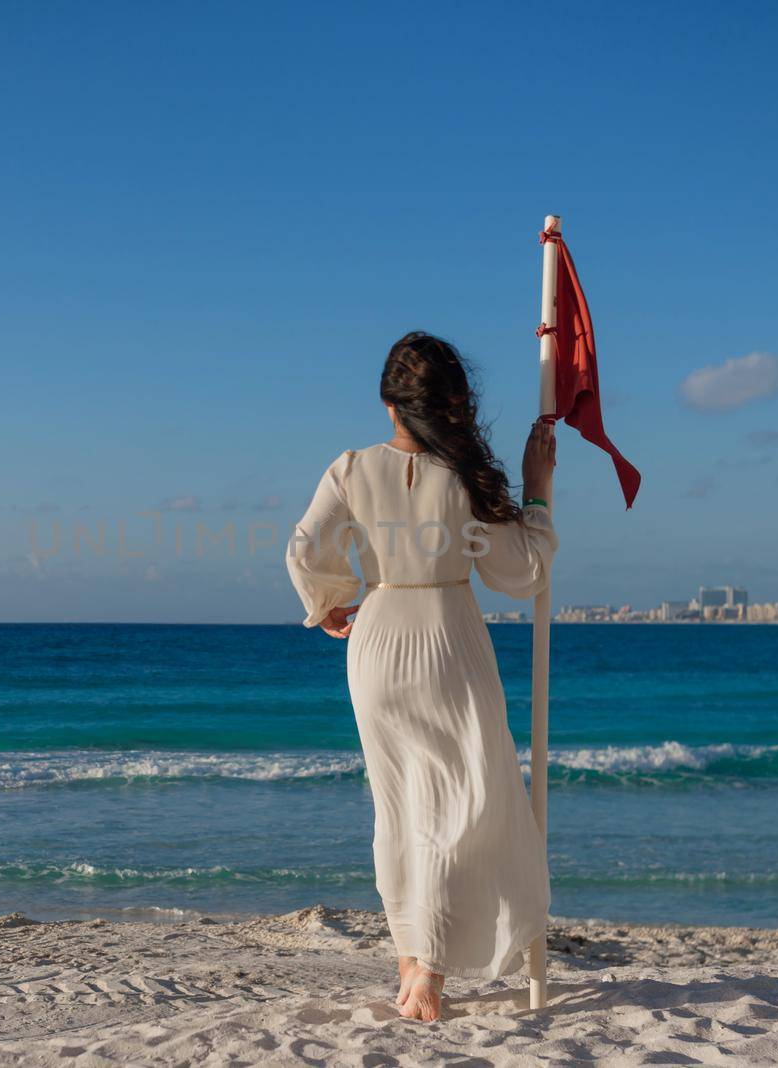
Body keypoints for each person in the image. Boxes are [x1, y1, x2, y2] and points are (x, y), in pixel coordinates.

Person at [286, 331, 557, 1023]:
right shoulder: (466, 475)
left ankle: (413, 962)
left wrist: (329, 604)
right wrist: (540, 490)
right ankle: (427, 972)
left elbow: (304, 547)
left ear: (388, 404)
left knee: (400, 807)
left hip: (376, 639)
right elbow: (521, 574)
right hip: (448, 637)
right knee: (458, 805)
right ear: (452, 404)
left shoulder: (349, 469)